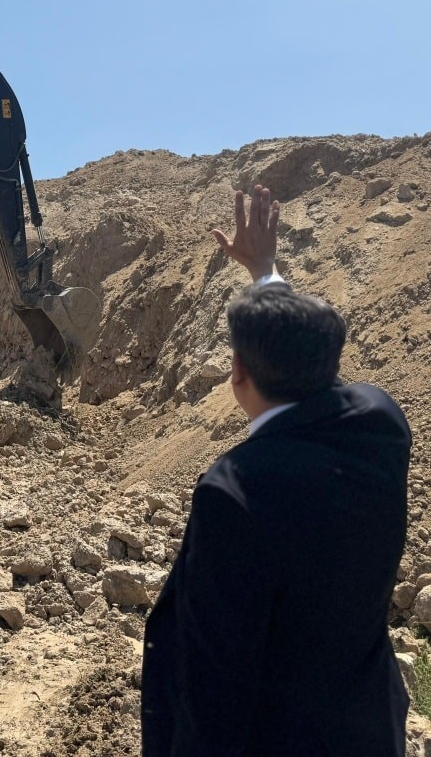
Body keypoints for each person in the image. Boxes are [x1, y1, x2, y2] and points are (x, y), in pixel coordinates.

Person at [141, 185, 411, 757]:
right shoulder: (383, 425)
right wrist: (265, 273)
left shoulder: (235, 491)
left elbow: (214, 687)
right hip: (369, 728)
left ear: (236, 371)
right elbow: (321, 374)